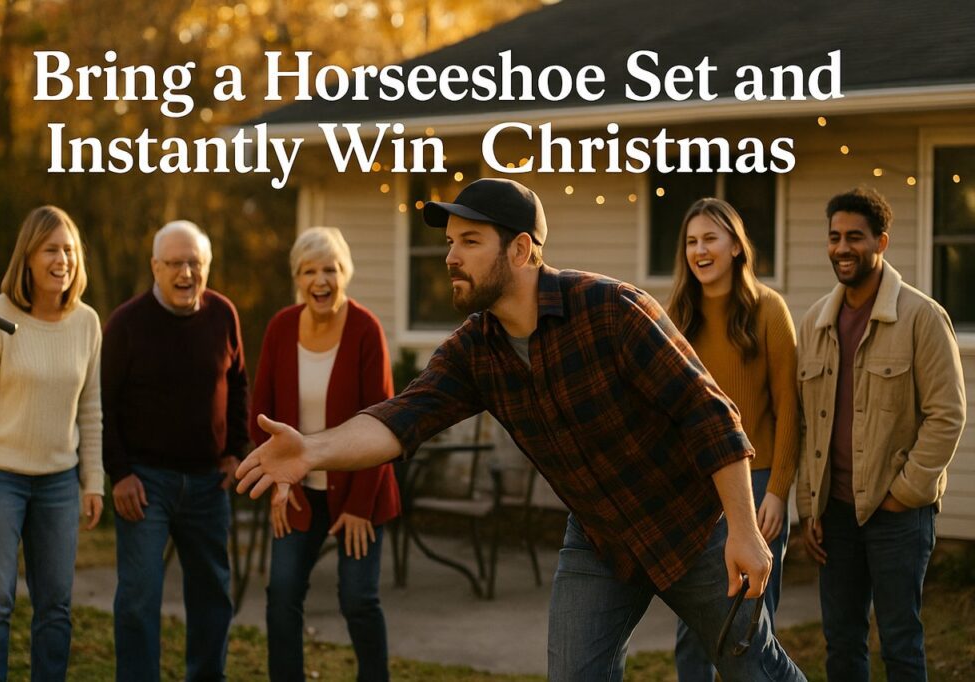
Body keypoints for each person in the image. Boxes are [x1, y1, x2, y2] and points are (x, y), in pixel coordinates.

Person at [237, 178, 806, 681]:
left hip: (692, 527)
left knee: (752, 666)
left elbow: (709, 413)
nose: (450, 257)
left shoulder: (610, 309)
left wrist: (744, 529)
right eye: (449, 242)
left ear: (521, 249)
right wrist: (313, 450)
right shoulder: (473, 351)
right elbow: (398, 419)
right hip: (599, 539)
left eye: (469, 242)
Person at [797, 187, 965, 681]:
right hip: (836, 517)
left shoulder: (921, 317)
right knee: (842, 643)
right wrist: (811, 507)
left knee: (900, 643)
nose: (842, 248)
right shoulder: (814, 324)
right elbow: (808, 423)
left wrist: (904, 493)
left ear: (881, 242)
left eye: (855, 237)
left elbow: (946, 415)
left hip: (898, 517)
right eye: (834, 237)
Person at [0, 205, 104, 681]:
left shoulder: (87, 323)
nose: (62, 259)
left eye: (69, 250)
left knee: (55, 608)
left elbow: (91, 409)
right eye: (51, 249)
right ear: (28, 256)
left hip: (59, 483)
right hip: (0, 480)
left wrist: (92, 480)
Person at [102, 220, 249, 682]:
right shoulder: (126, 323)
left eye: (196, 263)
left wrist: (236, 451)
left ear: (207, 266)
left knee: (213, 594)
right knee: (139, 597)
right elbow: (101, 404)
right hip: (146, 483)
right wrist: (119, 472)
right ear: (155, 267)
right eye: (176, 264)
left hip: (209, 481)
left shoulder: (223, 314)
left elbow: (240, 383)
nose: (187, 273)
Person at [252, 226, 400, 682]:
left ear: (344, 274)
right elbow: (260, 413)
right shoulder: (280, 328)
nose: (321, 280)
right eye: (309, 270)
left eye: (330, 269)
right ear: (297, 277)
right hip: (296, 491)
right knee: (282, 595)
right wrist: (280, 481)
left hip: (361, 490)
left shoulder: (365, 329)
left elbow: (383, 423)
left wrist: (358, 508)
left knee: (357, 599)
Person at [668, 198, 799, 681]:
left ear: (736, 247)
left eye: (710, 239)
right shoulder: (676, 317)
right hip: (697, 491)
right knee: (693, 631)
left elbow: (789, 409)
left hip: (758, 484)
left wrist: (779, 490)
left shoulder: (769, 310)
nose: (699, 251)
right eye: (690, 242)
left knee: (750, 629)